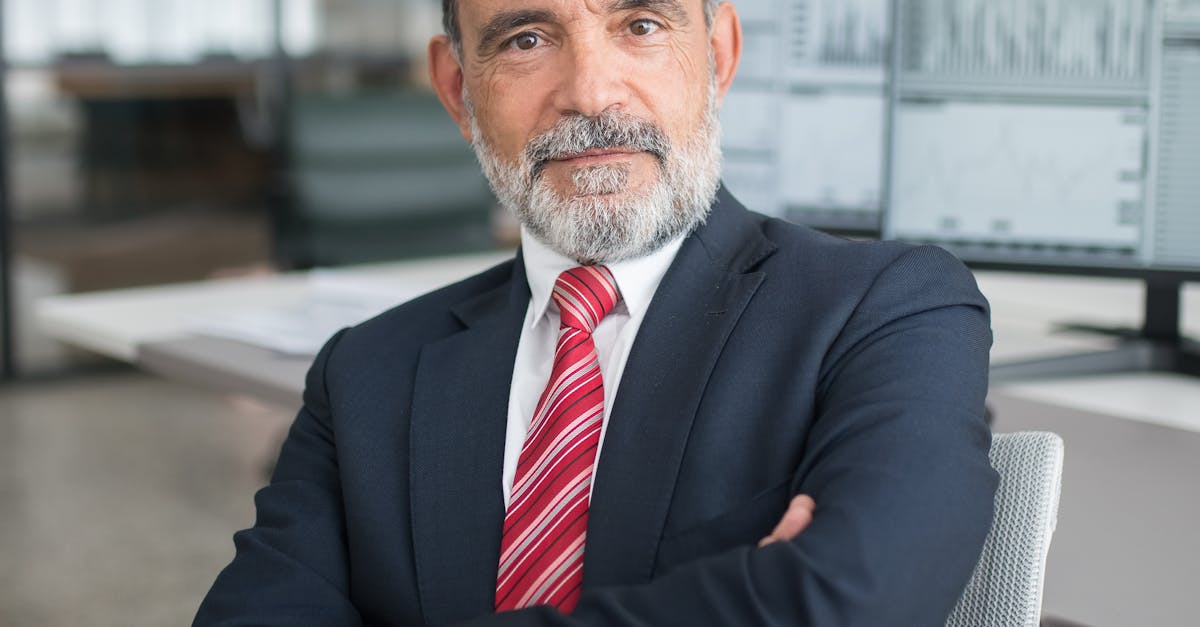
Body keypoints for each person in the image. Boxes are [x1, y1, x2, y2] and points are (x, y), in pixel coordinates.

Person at [195, 0, 998, 624]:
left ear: (717, 54)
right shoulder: (367, 373)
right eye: (526, 40)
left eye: (640, 24)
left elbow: (846, 599)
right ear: (456, 89)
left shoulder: (884, 308)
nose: (590, 92)